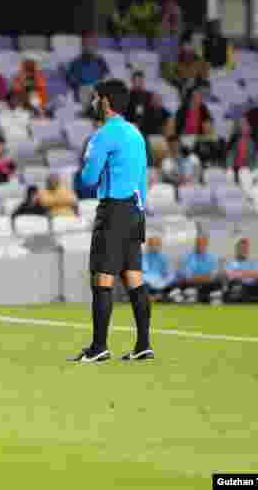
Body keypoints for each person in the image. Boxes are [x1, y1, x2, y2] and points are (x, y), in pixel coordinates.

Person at [72, 79, 151, 362]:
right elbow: (143, 179)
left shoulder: (103, 135)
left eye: (96, 98)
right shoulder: (136, 134)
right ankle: (143, 345)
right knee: (134, 278)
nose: (93, 103)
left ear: (105, 102)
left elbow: (88, 178)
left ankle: (99, 347)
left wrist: (88, 163)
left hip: (113, 210)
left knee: (102, 278)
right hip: (135, 210)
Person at [176, 235, 222, 303]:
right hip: (192, 285)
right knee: (187, 287)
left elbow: (213, 276)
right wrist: (204, 277)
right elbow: (187, 276)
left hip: (208, 285)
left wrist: (197, 277)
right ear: (196, 243)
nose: (200, 245)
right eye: (198, 243)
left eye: (203, 243)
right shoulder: (188, 257)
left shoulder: (213, 258)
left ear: (206, 244)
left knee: (217, 285)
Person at [65, 34, 109, 101]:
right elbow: (70, 79)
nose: (88, 47)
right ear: (82, 46)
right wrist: (79, 85)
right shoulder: (75, 62)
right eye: (86, 44)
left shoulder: (100, 61)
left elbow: (106, 76)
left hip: (97, 91)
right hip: (83, 92)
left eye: (91, 44)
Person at [221, 237, 258, 303]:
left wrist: (242, 274)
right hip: (237, 286)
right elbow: (229, 275)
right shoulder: (231, 262)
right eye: (241, 248)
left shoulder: (252, 262)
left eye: (245, 248)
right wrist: (251, 274)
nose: (243, 250)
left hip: (252, 287)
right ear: (237, 249)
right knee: (236, 284)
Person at [140, 235, 175, 300]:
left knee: (173, 287)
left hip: (161, 284)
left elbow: (171, 274)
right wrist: (150, 282)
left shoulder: (164, 258)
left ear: (160, 246)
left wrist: (163, 282)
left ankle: (157, 297)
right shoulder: (143, 257)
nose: (154, 246)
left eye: (156, 244)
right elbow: (141, 273)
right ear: (148, 245)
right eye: (152, 244)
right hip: (147, 284)